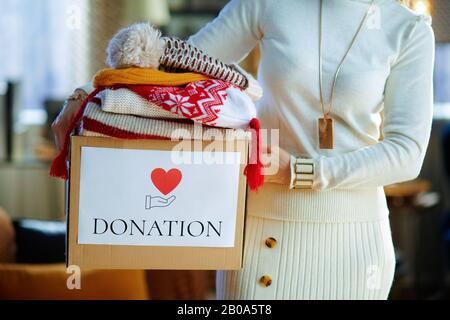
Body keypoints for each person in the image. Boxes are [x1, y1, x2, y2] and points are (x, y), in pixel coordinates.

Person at [52, 0, 435, 300]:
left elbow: (406, 152)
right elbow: (171, 65)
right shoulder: (269, 3)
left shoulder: (408, 30)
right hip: (263, 228)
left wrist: (299, 170)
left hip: (355, 242)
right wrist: (84, 94)